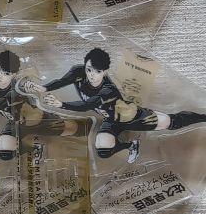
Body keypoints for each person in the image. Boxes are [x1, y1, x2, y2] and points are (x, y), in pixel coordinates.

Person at [23, 47, 206, 164]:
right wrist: (42, 87)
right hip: (112, 120)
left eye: (97, 72)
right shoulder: (78, 72)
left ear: (104, 72)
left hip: (134, 117)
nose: (91, 75)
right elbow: (61, 81)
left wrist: (61, 104)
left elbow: (87, 105)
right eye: (89, 69)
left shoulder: (107, 89)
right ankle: (130, 145)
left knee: (170, 122)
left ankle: (203, 117)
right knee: (103, 149)